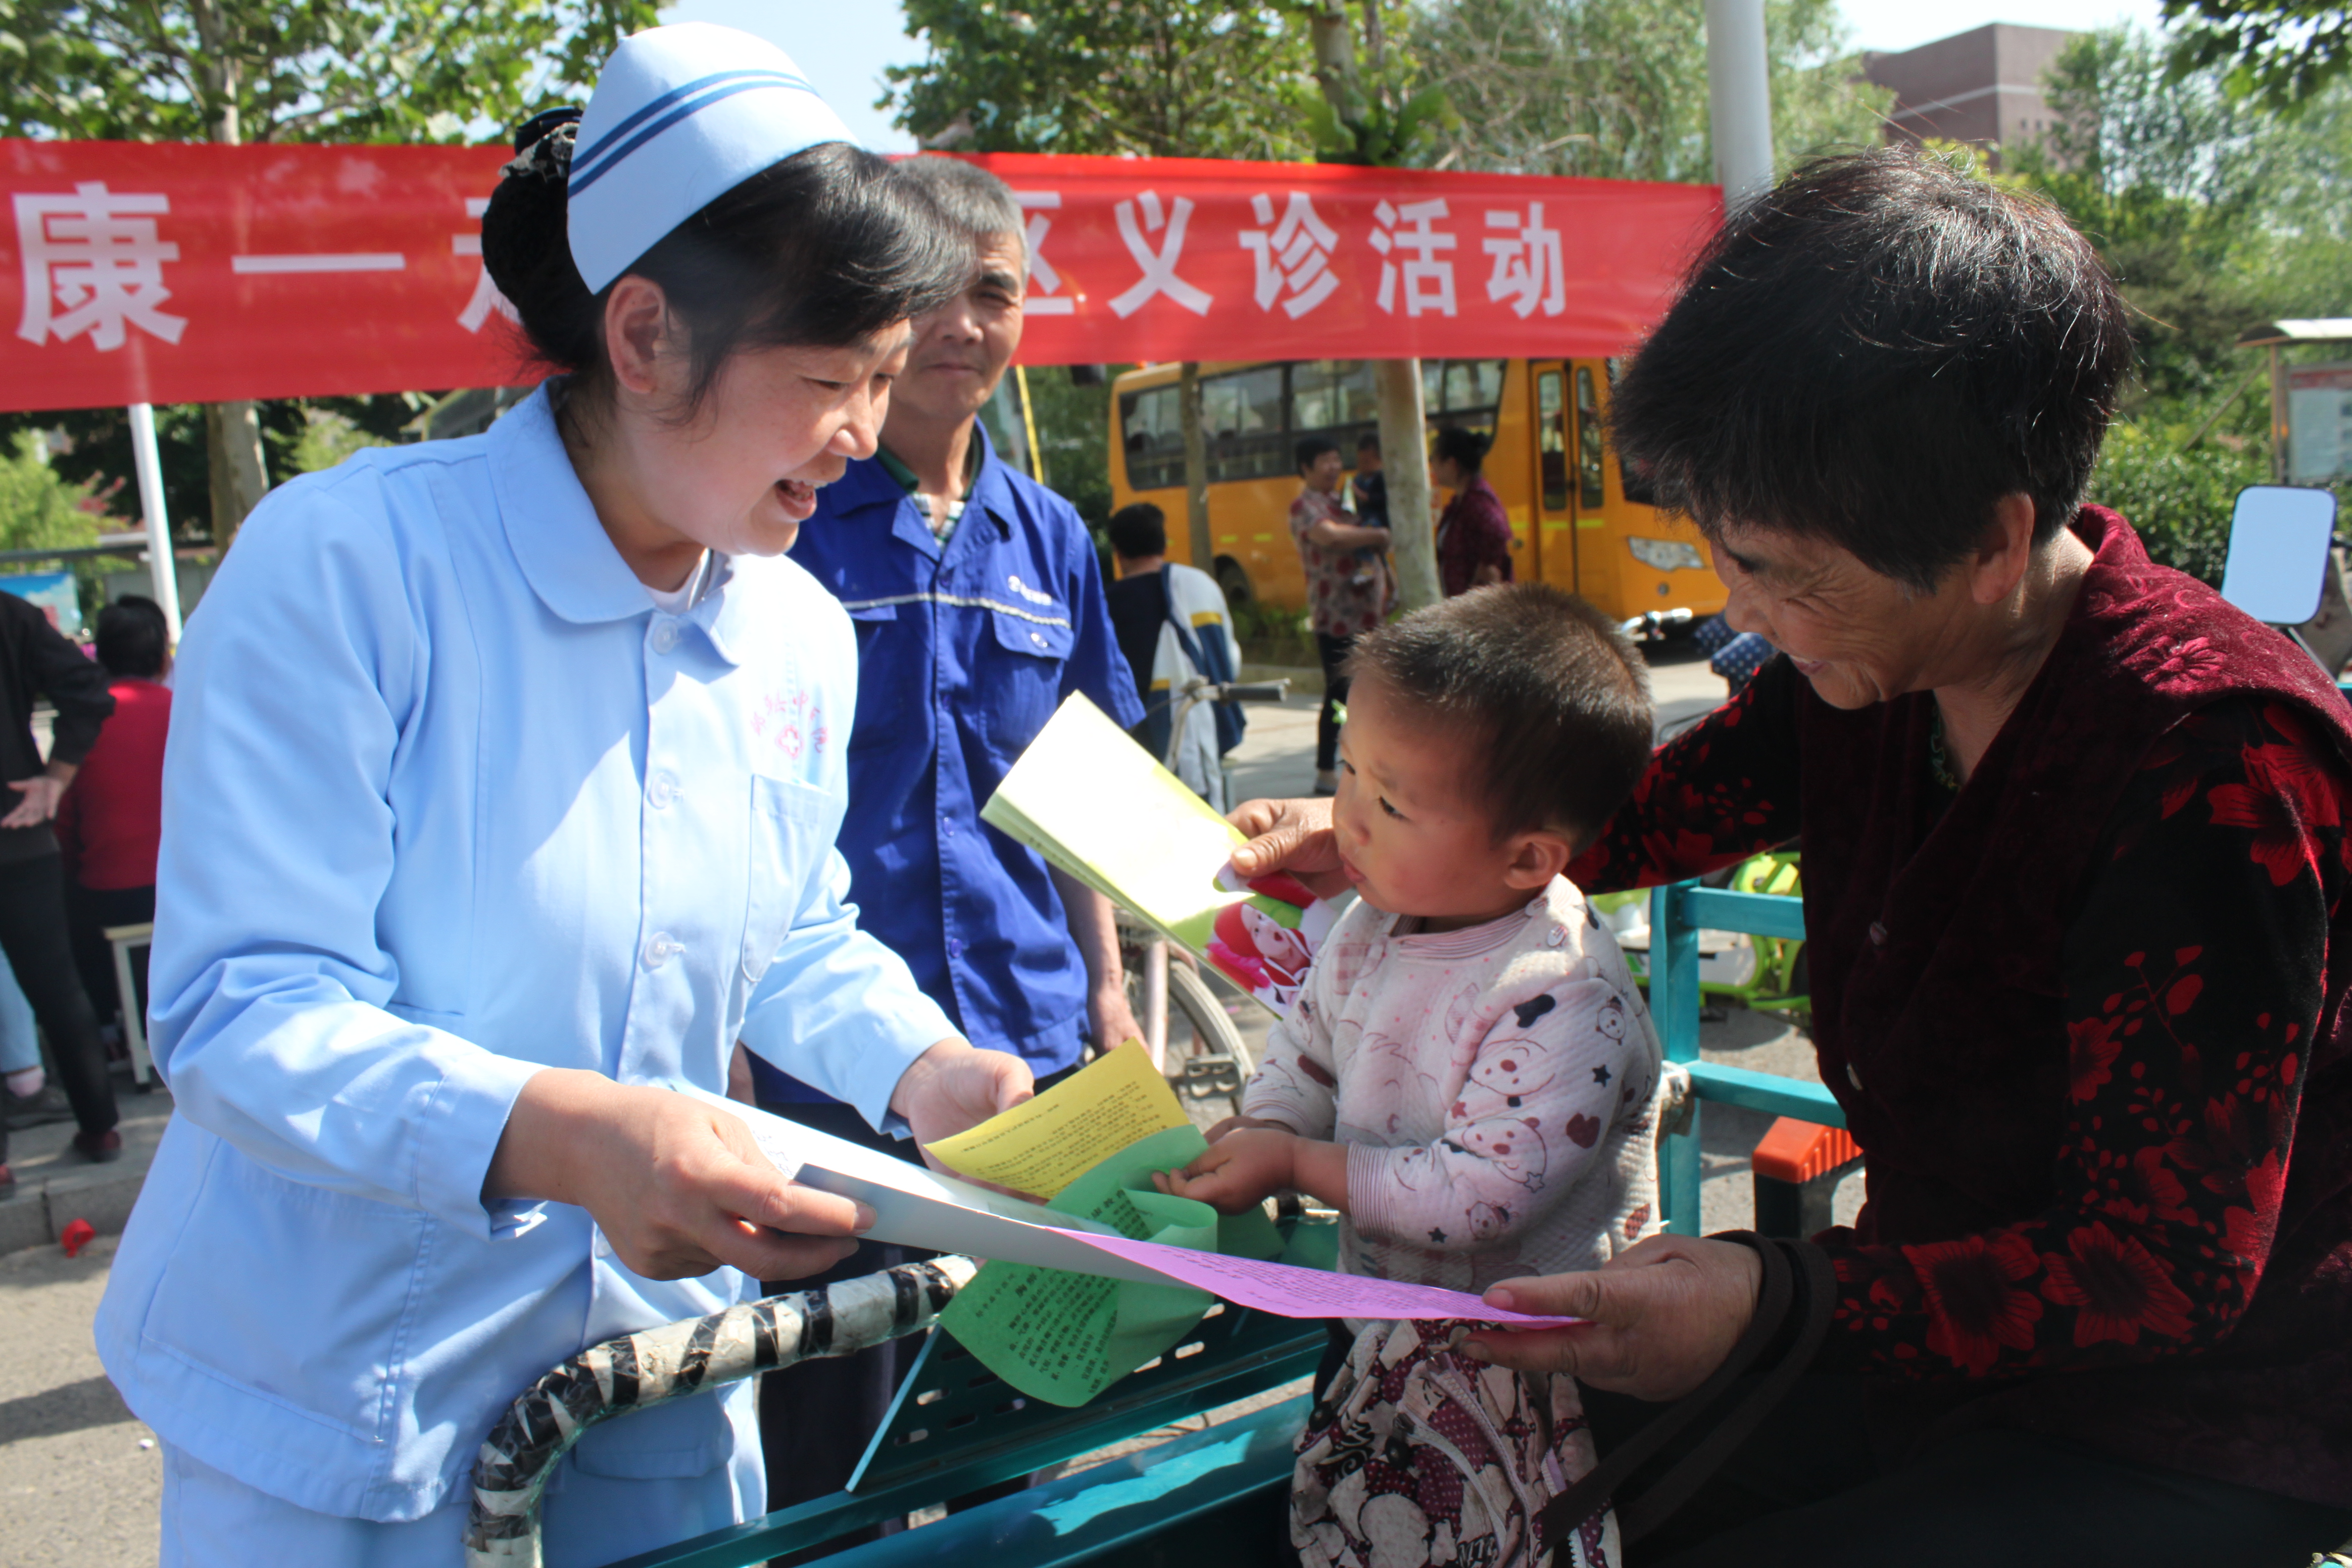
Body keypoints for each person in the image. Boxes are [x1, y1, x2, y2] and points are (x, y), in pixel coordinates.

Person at [1222, 149, 2352, 1566]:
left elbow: (2165, 1268)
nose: (1734, 605)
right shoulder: (1870, 671)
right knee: (1490, 1473)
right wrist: (1377, 833)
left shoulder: (2215, 765)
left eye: (1774, 570)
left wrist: (1775, 1301)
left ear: (1995, 541)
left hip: (2190, 1421)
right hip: (1932, 1337)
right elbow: (1622, 813)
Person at [95, 27, 1033, 1566]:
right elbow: (244, 1009)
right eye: (827, 382)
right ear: (647, 335)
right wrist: (565, 1138)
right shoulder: (351, 568)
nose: (864, 439)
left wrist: (933, 1074)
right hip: (341, 1404)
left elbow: (791, 933)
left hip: (651, 1379)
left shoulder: (790, 621)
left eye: (879, 384)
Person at [756, 153, 1146, 1522]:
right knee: (829, 1418)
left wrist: (1107, 988)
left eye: (996, 292)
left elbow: (1085, 790)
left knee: (1014, 1399)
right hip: (829, 1061)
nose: (963, 326)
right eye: (931, 295)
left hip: (1027, 1042)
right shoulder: (784, 523)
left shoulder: (1049, 537)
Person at [1157, 585, 1665, 1305]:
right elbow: (1307, 1051)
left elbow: (1478, 1195)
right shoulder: (1376, 920)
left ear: (1526, 860)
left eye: (1392, 804)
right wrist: (1271, 1123)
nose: (1348, 820)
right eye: (1351, 771)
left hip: (1530, 1350)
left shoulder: (1560, 995)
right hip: (1385, 1312)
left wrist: (1296, 1162)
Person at [0, 580, 118, 1197]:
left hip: (21, 827)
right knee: (57, 988)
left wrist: (54, 780)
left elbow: (88, 692)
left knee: (56, 988)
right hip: (20, 834)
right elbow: (88, 689)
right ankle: (101, 1129)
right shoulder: (12, 616)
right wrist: (55, 778)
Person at [57, 595, 172, 1044]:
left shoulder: (81, 725)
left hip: (109, 895)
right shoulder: (188, 712)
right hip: (182, 891)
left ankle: (105, 1028)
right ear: (164, 658)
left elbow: (64, 824)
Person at [1104, 500, 1245, 809]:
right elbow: (1231, 658)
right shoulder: (1200, 585)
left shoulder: (1108, 603)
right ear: (1163, 543)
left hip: (1145, 739)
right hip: (1213, 723)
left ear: (1118, 551)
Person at [1289, 435, 1391, 797]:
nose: (1334, 467)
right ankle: (1325, 770)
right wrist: (1377, 533)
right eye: (1325, 461)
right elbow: (1329, 537)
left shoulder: (1344, 499)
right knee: (1338, 694)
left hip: (1367, 613)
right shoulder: (1305, 506)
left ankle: (1358, 767)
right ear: (1306, 467)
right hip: (1335, 616)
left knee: (1364, 692)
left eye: (1336, 459)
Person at [1431, 425, 1513, 597]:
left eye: (1434, 459)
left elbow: (1498, 533)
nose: (1432, 468)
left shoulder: (1477, 501)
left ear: (1451, 464)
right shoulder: (1460, 502)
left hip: (1478, 612)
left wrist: (1485, 569)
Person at [1346, 431, 1390, 587]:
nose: (1362, 466)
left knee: (1364, 540)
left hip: (1378, 520)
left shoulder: (1381, 478)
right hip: (1364, 518)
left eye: (1367, 461)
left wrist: (1365, 496)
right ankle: (1392, 585)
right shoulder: (1359, 478)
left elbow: (1384, 500)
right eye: (1360, 462)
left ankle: (1367, 570)